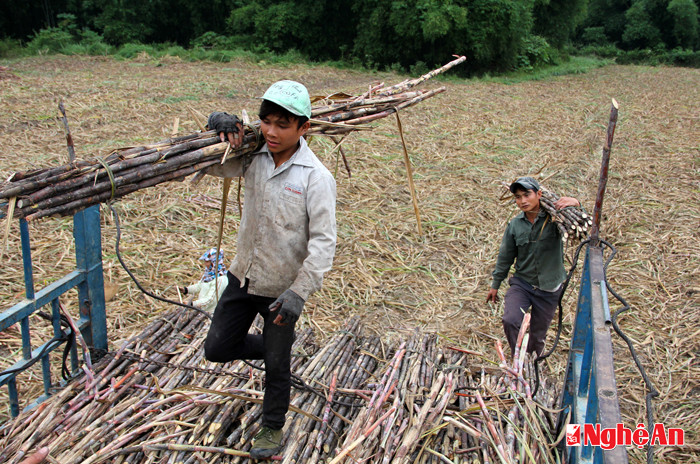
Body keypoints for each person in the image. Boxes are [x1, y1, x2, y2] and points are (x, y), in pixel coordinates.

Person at [203, 80, 337, 459]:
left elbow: (325, 242)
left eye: (283, 124)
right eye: (266, 122)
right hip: (242, 275)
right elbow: (212, 166)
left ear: (304, 127)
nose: (272, 132)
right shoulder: (252, 157)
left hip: (282, 289)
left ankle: (272, 427)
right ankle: (278, 349)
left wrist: (299, 292)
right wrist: (213, 127)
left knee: (276, 369)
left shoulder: (315, 177)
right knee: (217, 348)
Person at [486, 176, 579, 358]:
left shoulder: (556, 220)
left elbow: (586, 224)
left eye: (527, 195)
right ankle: (517, 357)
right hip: (523, 283)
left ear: (539, 194)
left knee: (538, 334)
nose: (523, 201)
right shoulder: (515, 225)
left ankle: (532, 362)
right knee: (511, 320)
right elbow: (505, 256)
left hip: (549, 288)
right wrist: (495, 284)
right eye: (518, 197)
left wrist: (576, 203)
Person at [178, 248, 229, 313]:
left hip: (212, 313)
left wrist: (193, 304)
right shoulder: (209, 275)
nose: (205, 264)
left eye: (207, 261)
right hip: (204, 311)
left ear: (214, 262)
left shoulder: (221, 279)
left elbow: (211, 300)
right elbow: (200, 286)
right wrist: (186, 290)